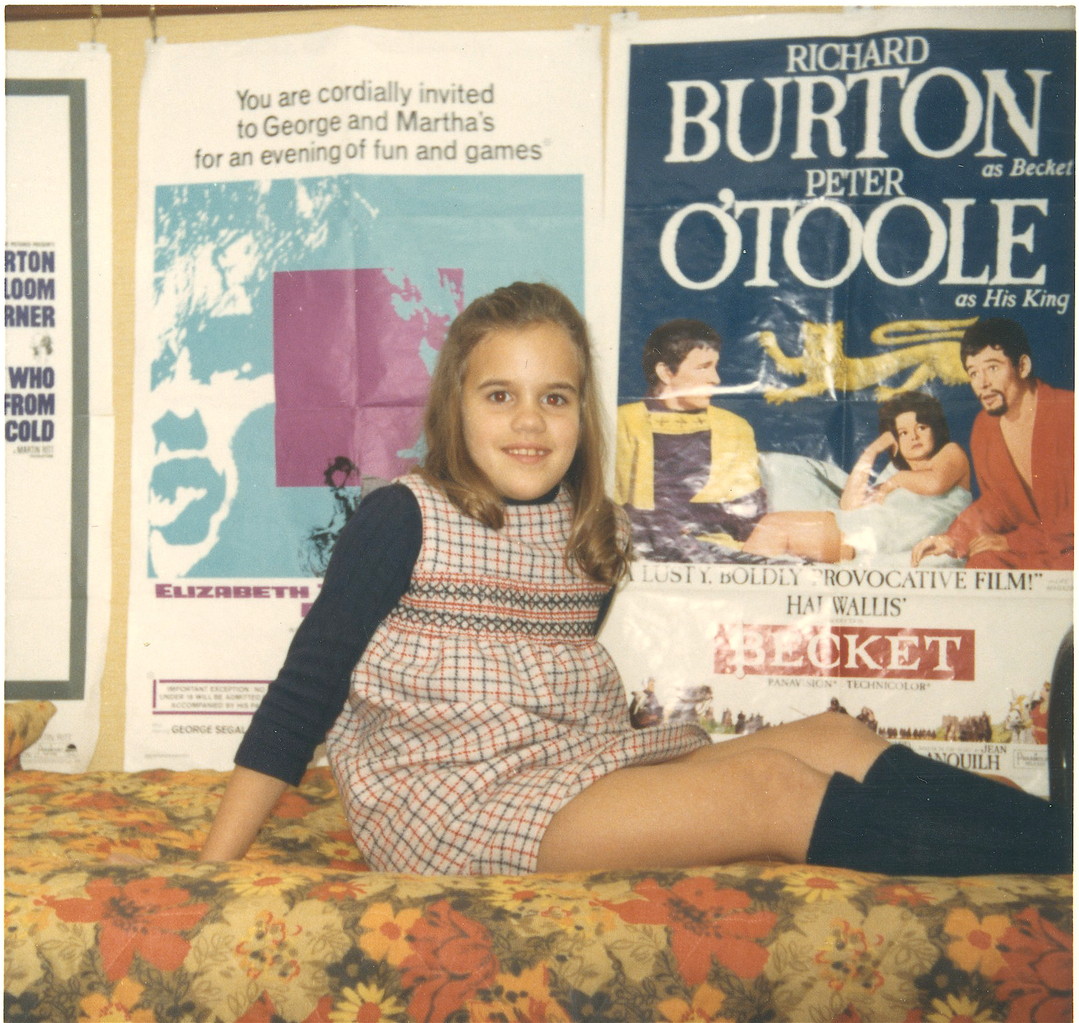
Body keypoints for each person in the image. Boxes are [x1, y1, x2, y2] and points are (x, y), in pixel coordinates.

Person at [201, 283, 1069, 877]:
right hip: (448, 803)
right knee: (767, 789)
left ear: (585, 410)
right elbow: (303, 691)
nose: (529, 422)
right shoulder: (403, 515)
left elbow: (730, 554)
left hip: (566, 765)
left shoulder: (593, 526)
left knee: (832, 737)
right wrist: (212, 870)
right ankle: (1047, 845)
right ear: (453, 406)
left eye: (556, 396)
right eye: (498, 395)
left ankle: (1041, 828)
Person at [912, 318, 1074, 569]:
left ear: (1022, 366)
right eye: (973, 373)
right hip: (1039, 552)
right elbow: (998, 503)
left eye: (993, 368)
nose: (982, 383)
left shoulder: (1069, 412)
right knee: (982, 563)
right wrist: (954, 538)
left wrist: (1016, 542)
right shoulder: (985, 427)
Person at [742, 391, 971, 562]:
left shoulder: (950, 453)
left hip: (876, 541)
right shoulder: (895, 470)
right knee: (770, 529)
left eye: (921, 427)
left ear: (935, 428)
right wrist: (872, 450)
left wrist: (895, 482)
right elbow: (849, 506)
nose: (913, 437)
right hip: (858, 534)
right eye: (903, 432)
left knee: (773, 528)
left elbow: (935, 483)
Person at [614, 320, 768, 562]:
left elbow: (749, 514)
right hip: (640, 550)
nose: (716, 379)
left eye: (715, 367)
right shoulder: (622, 422)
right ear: (665, 372)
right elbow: (603, 506)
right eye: (703, 367)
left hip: (718, 555)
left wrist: (679, 519)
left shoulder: (735, 428)